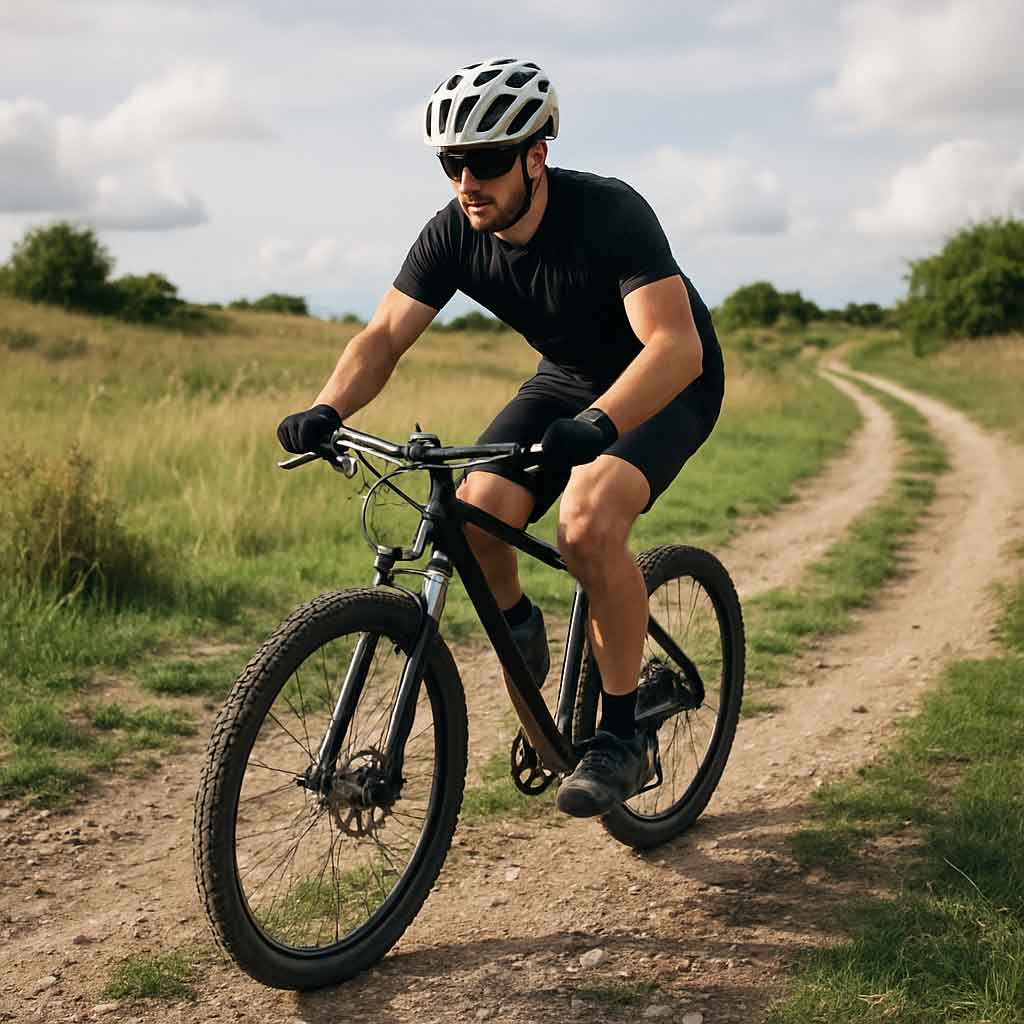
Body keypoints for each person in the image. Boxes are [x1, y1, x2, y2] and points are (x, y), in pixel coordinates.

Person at [277, 56, 725, 818]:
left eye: (483, 161)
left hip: (665, 379)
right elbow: (385, 333)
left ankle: (618, 737)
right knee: (477, 524)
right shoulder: (454, 232)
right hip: (567, 379)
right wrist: (329, 409)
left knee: (587, 523)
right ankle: (523, 634)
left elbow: (674, 348)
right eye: (451, 163)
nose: (465, 181)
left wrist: (599, 426)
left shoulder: (610, 214)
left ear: (535, 154)